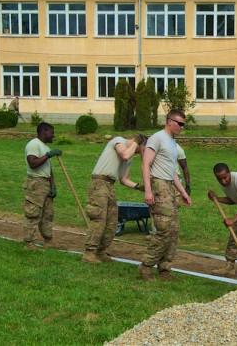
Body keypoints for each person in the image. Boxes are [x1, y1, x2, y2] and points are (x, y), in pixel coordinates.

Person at [137, 110, 191, 281]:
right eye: (179, 124)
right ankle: (145, 267)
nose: (182, 127)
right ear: (169, 121)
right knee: (164, 229)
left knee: (174, 231)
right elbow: (146, 165)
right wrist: (148, 190)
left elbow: (172, 172)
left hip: (170, 186)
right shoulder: (157, 138)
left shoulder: (173, 144)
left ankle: (164, 269)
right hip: (159, 185)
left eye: (184, 124)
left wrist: (183, 192)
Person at [81, 134, 147, 264]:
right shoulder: (119, 141)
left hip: (110, 185)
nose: (143, 151)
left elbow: (123, 179)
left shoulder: (130, 158)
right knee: (99, 218)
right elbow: (125, 155)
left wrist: (139, 187)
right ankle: (89, 253)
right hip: (99, 183)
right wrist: (136, 143)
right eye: (143, 147)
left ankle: (100, 252)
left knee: (112, 221)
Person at [22, 122, 63, 250]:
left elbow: (49, 168)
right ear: (44, 131)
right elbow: (32, 163)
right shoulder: (34, 144)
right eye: (52, 132)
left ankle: (48, 241)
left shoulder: (45, 147)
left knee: (47, 214)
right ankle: (29, 243)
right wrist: (48, 155)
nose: (53, 136)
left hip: (45, 183)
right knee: (33, 213)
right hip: (36, 183)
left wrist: (53, 185)